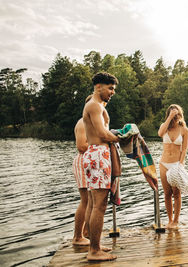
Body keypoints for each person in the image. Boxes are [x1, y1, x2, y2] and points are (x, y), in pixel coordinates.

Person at [82, 72, 119, 261]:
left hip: (94, 154)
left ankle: (93, 245)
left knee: (93, 203)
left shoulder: (95, 106)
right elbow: (103, 134)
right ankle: (93, 251)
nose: (112, 92)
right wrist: (122, 137)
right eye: (110, 88)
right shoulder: (94, 106)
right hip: (98, 154)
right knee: (100, 205)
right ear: (98, 87)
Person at [158, 104, 188, 229]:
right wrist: (169, 118)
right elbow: (160, 133)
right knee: (167, 194)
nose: (175, 117)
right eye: (172, 115)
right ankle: (169, 220)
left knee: (177, 194)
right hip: (163, 164)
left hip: (176, 165)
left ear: (180, 115)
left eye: (176, 115)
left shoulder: (184, 130)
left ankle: (176, 221)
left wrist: (180, 165)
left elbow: (185, 149)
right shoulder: (164, 127)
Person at [72, 94, 93, 246]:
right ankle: (78, 236)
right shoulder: (82, 123)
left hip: (91, 162)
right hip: (83, 162)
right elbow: (81, 146)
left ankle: (86, 232)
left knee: (92, 200)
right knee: (85, 200)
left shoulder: (91, 122)